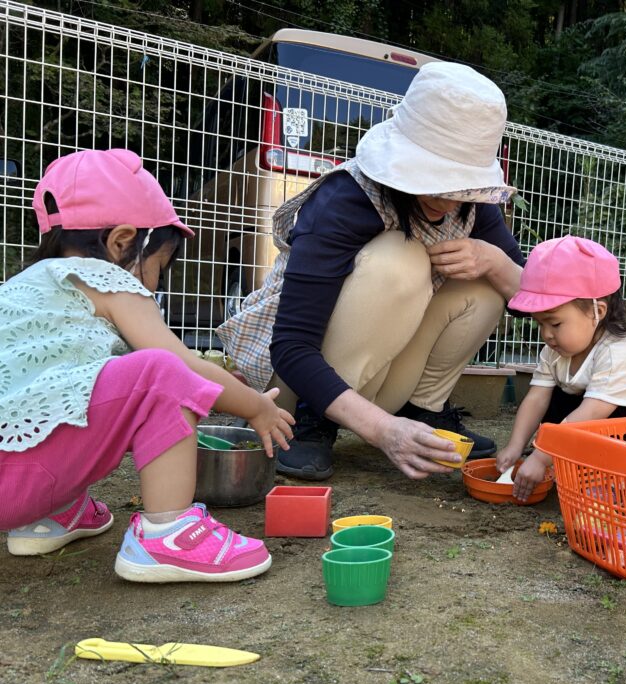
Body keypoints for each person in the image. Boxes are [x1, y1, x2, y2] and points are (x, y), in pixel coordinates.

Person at [218, 62, 524, 482]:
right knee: (402, 259)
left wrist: (495, 262)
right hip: (296, 381)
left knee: (489, 281)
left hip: (383, 376)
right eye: (437, 180)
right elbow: (291, 346)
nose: (449, 199)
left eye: (462, 186)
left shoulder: (473, 205)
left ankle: (423, 414)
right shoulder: (347, 198)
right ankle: (313, 422)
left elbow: (529, 301)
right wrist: (383, 431)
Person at [0, 149, 295, 582]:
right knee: (157, 373)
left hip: (15, 485)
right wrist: (255, 406)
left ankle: (54, 515)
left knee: (74, 384)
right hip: (23, 480)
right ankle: (168, 534)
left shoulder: (18, 288)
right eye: (158, 266)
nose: (155, 284)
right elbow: (181, 366)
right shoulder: (107, 278)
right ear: (122, 242)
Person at [495, 236, 626, 502]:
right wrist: (516, 447)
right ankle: (593, 474)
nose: (546, 335)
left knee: (587, 409)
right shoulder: (554, 352)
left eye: (555, 324)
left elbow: (591, 416)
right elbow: (535, 399)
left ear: (598, 311)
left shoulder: (617, 353)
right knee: (554, 398)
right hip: (609, 433)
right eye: (540, 325)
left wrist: (541, 456)